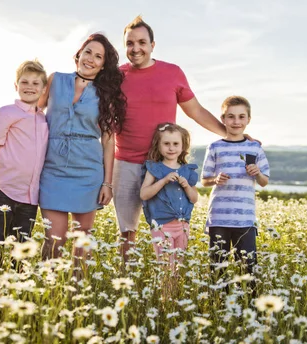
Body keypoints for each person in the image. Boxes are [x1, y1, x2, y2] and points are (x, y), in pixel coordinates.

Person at [113, 15, 230, 261]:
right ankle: (127, 280)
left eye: (142, 42)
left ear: (152, 45)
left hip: (165, 166)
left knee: (169, 230)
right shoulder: (116, 76)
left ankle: (169, 284)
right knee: (127, 232)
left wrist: (228, 133)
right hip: (125, 163)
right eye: (130, 43)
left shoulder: (172, 73)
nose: (136, 49)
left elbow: (196, 111)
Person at [39, 33, 126, 261]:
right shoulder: (55, 80)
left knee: (82, 238)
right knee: (55, 238)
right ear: (79, 54)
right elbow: (34, 114)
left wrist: (107, 182)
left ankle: (77, 292)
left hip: (88, 171)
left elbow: (108, 141)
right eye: (88, 52)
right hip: (52, 168)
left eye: (98, 57)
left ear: (103, 65)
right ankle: (43, 287)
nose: (91, 59)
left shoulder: (105, 94)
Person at [0, 60, 48, 265]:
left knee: (20, 255)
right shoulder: (7, 112)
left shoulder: (43, 119)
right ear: (16, 85)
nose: (30, 87)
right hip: (2, 191)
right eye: (24, 82)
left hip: (29, 198)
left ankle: (16, 291)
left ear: (44, 89)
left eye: (36, 83)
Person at [201, 96, 269, 275]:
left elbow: (264, 182)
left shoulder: (255, 148)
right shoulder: (214, 147)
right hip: (219, 217)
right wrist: (215, 179)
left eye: (241, 117)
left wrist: (258, 173)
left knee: (249, 268)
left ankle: (250, 302)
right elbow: (204, 180)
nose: (236, 121)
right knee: (217, 268)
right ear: (223, 119)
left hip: (245, 218)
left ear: (248, 120)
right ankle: (219, 301)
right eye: (230, 117)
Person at [140, 123, 199, 270]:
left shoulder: (187, 171)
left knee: (178, 266)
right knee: (165, 266)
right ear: (158, 145)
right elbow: (144, 194)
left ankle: (174, 292)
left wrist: (186, 186)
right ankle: (166, 293)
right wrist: (164, 180)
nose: (171, 148)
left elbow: (194, 198)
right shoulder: (154, 169)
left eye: (175, 144)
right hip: (161, 225)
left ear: (182, 146)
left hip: (183, 226)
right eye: (166, 144)